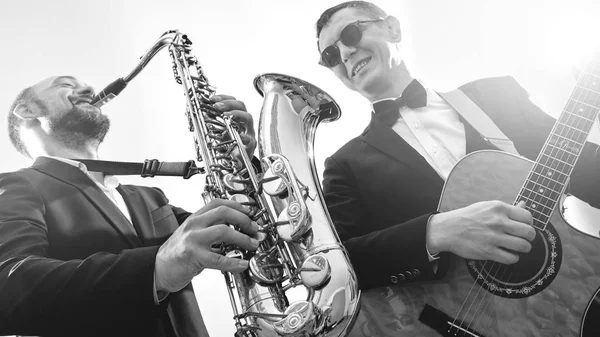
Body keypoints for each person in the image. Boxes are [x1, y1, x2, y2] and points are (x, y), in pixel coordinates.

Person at [315, 1, 600, 336]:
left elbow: (586, 168)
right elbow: (337, 264)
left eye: (350, 34)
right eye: (331, 56)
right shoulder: (344, 164)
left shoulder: (495, 95)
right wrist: (436, 232)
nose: (345, 54)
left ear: (392, 28)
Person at [0, 75, 259, 337]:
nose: (89, 88)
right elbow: (8, 288)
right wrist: (155, 267)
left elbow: (245, 231)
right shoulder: (16, 185)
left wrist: (242, 170)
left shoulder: (151, 198)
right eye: (65, 84)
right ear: (27, 110)